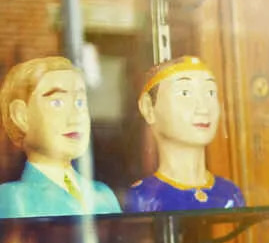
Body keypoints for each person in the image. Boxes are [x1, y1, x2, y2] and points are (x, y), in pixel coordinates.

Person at [0, 56, 121, 218]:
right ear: (21, 116)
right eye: (57, 103)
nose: (76, 117)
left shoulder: (104, 194)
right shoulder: (14, 198)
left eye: (80, 103)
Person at [124, 55, 245, 212]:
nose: (203, 107)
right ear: (148, 107)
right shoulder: (146, 197)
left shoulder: (230, 194)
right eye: (185, 93)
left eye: (210, 93)